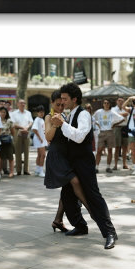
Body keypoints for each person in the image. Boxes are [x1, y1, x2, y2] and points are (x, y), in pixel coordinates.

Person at [51, 83, 118, 249]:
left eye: (65, 99)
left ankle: (110, 233)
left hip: (84, 162)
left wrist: (62, 124)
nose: (63, 101)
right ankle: (80, 226)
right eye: (61, 99)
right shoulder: (70, 114)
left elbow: (80, 137)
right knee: (67, 196)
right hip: (70, 163)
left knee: (93, 196)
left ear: (74, 99)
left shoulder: (83, 115)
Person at [44, 90, 91, 234]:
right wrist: (55, 124)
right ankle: (93, 210)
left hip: (67, 156)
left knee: (67, 190)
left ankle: (58, 219)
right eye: (57, 104)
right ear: (52, 104)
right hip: (56, 156)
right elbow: (48, 137)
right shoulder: (49, 116)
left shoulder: (67, 115)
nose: (60, 107)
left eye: (62, 104)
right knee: (74, 182)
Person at [93, 99, 124, 173]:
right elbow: (93, 118)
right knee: (99, 150)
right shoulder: (99, 111)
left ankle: (108, 167)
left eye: (107, 103)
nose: (106, 104)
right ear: (103, 104)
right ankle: (96, 167)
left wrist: (114, 125)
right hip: (102, 132)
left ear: (110, 104)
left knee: (110, 150)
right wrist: (98, 124)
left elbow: (122, 119)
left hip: (110, 132)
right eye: (105, 103)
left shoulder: (112, 112)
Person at [10, 99, 33, 175]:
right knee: (17, 152)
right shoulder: (14, 113)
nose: (22, 104)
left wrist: (27, 127)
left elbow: (31, 122)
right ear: (17, 104)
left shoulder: (28, 113)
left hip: (26, 132)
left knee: (27, 151)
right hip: (18, 132)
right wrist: (22, 127)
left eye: (24, 103)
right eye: (21, 103)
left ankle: (26, 170)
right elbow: (13, 124)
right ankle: (18, 170)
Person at [111, 96, 129, 170]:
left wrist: (119, 115)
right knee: (117, 147)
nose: (120, 102)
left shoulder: (126, 108)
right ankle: (115, 165)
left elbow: (127, 115)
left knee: (125, 147)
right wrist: (123, 115)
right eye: (119, 100)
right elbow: (114, 117)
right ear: (116, 101)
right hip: (117, 128)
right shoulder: (113, 109)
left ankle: (125, 164)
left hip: (125, 127)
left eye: (122, 101)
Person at [0, 107, 15, 178]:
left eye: (4, 112)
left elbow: (13, 132)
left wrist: (10, 137)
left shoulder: (9, 121)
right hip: (0, 141)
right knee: (0, 157)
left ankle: (11, 172)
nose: (3, 113)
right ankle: (0, 171)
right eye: (1, 112)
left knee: (10, 157)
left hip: (8, 141)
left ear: (6, 113)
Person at [32, 105, 47, 177]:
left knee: (39, 155)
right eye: (40, 112)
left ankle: (37, 170)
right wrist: (40, 138)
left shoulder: (42, 119)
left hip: (41, 139)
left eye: (43, 112)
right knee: (43, 155)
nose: (42, 113)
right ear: (37, 113)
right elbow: (34, 129)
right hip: (39, 140)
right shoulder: (37, 119)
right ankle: (41, 171)